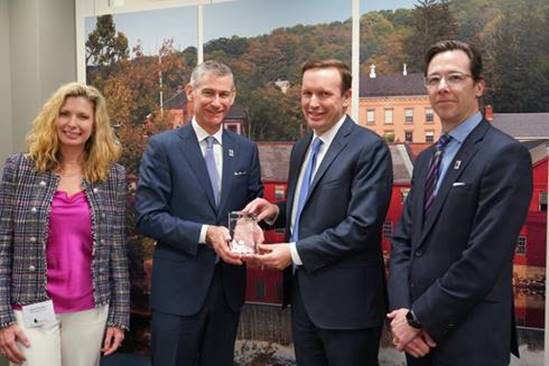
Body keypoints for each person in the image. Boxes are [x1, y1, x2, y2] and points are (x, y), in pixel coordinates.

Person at [387, 40, 533, 365]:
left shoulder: (504, 156)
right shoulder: (426, 160)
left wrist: (418, 319)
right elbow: (404, 243)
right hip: (417, 341)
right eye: (434, 79)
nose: (442, 87)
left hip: (471, 340)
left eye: (455, 78)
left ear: (478, 86)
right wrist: (401, 314)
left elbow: (483, 259)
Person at [242, 59, 393, 366]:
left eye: (324, 94)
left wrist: (293, 253)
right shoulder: (302, 148)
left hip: (348, 308)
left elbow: (360, 227)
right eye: (306, 93)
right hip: (304, 301)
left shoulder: (369, 148)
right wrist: (274, 211)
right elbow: (312, 209)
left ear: (346, 97)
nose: (313, 103)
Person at [135, 60, 263, 366]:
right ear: (190, 92)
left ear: (233, 96)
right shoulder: (162, 147)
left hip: (227, 290)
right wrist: (206, 234)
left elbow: (250, 207)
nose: (216, 102)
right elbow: (148, 216)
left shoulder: (245, 149)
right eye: (208, 93)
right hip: (178, 291)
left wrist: (254, 224)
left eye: (224, 94)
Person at [0, 82, 130, 366]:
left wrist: (119, 318)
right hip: (29, 305)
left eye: (83, 117)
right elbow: (2, 247)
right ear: (52, 118)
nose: (72, 123)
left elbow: (117, 253)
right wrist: (3, 318)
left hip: (90, 310)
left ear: (95, 125)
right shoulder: (19, 170)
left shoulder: (112, 177)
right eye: (65, 114)